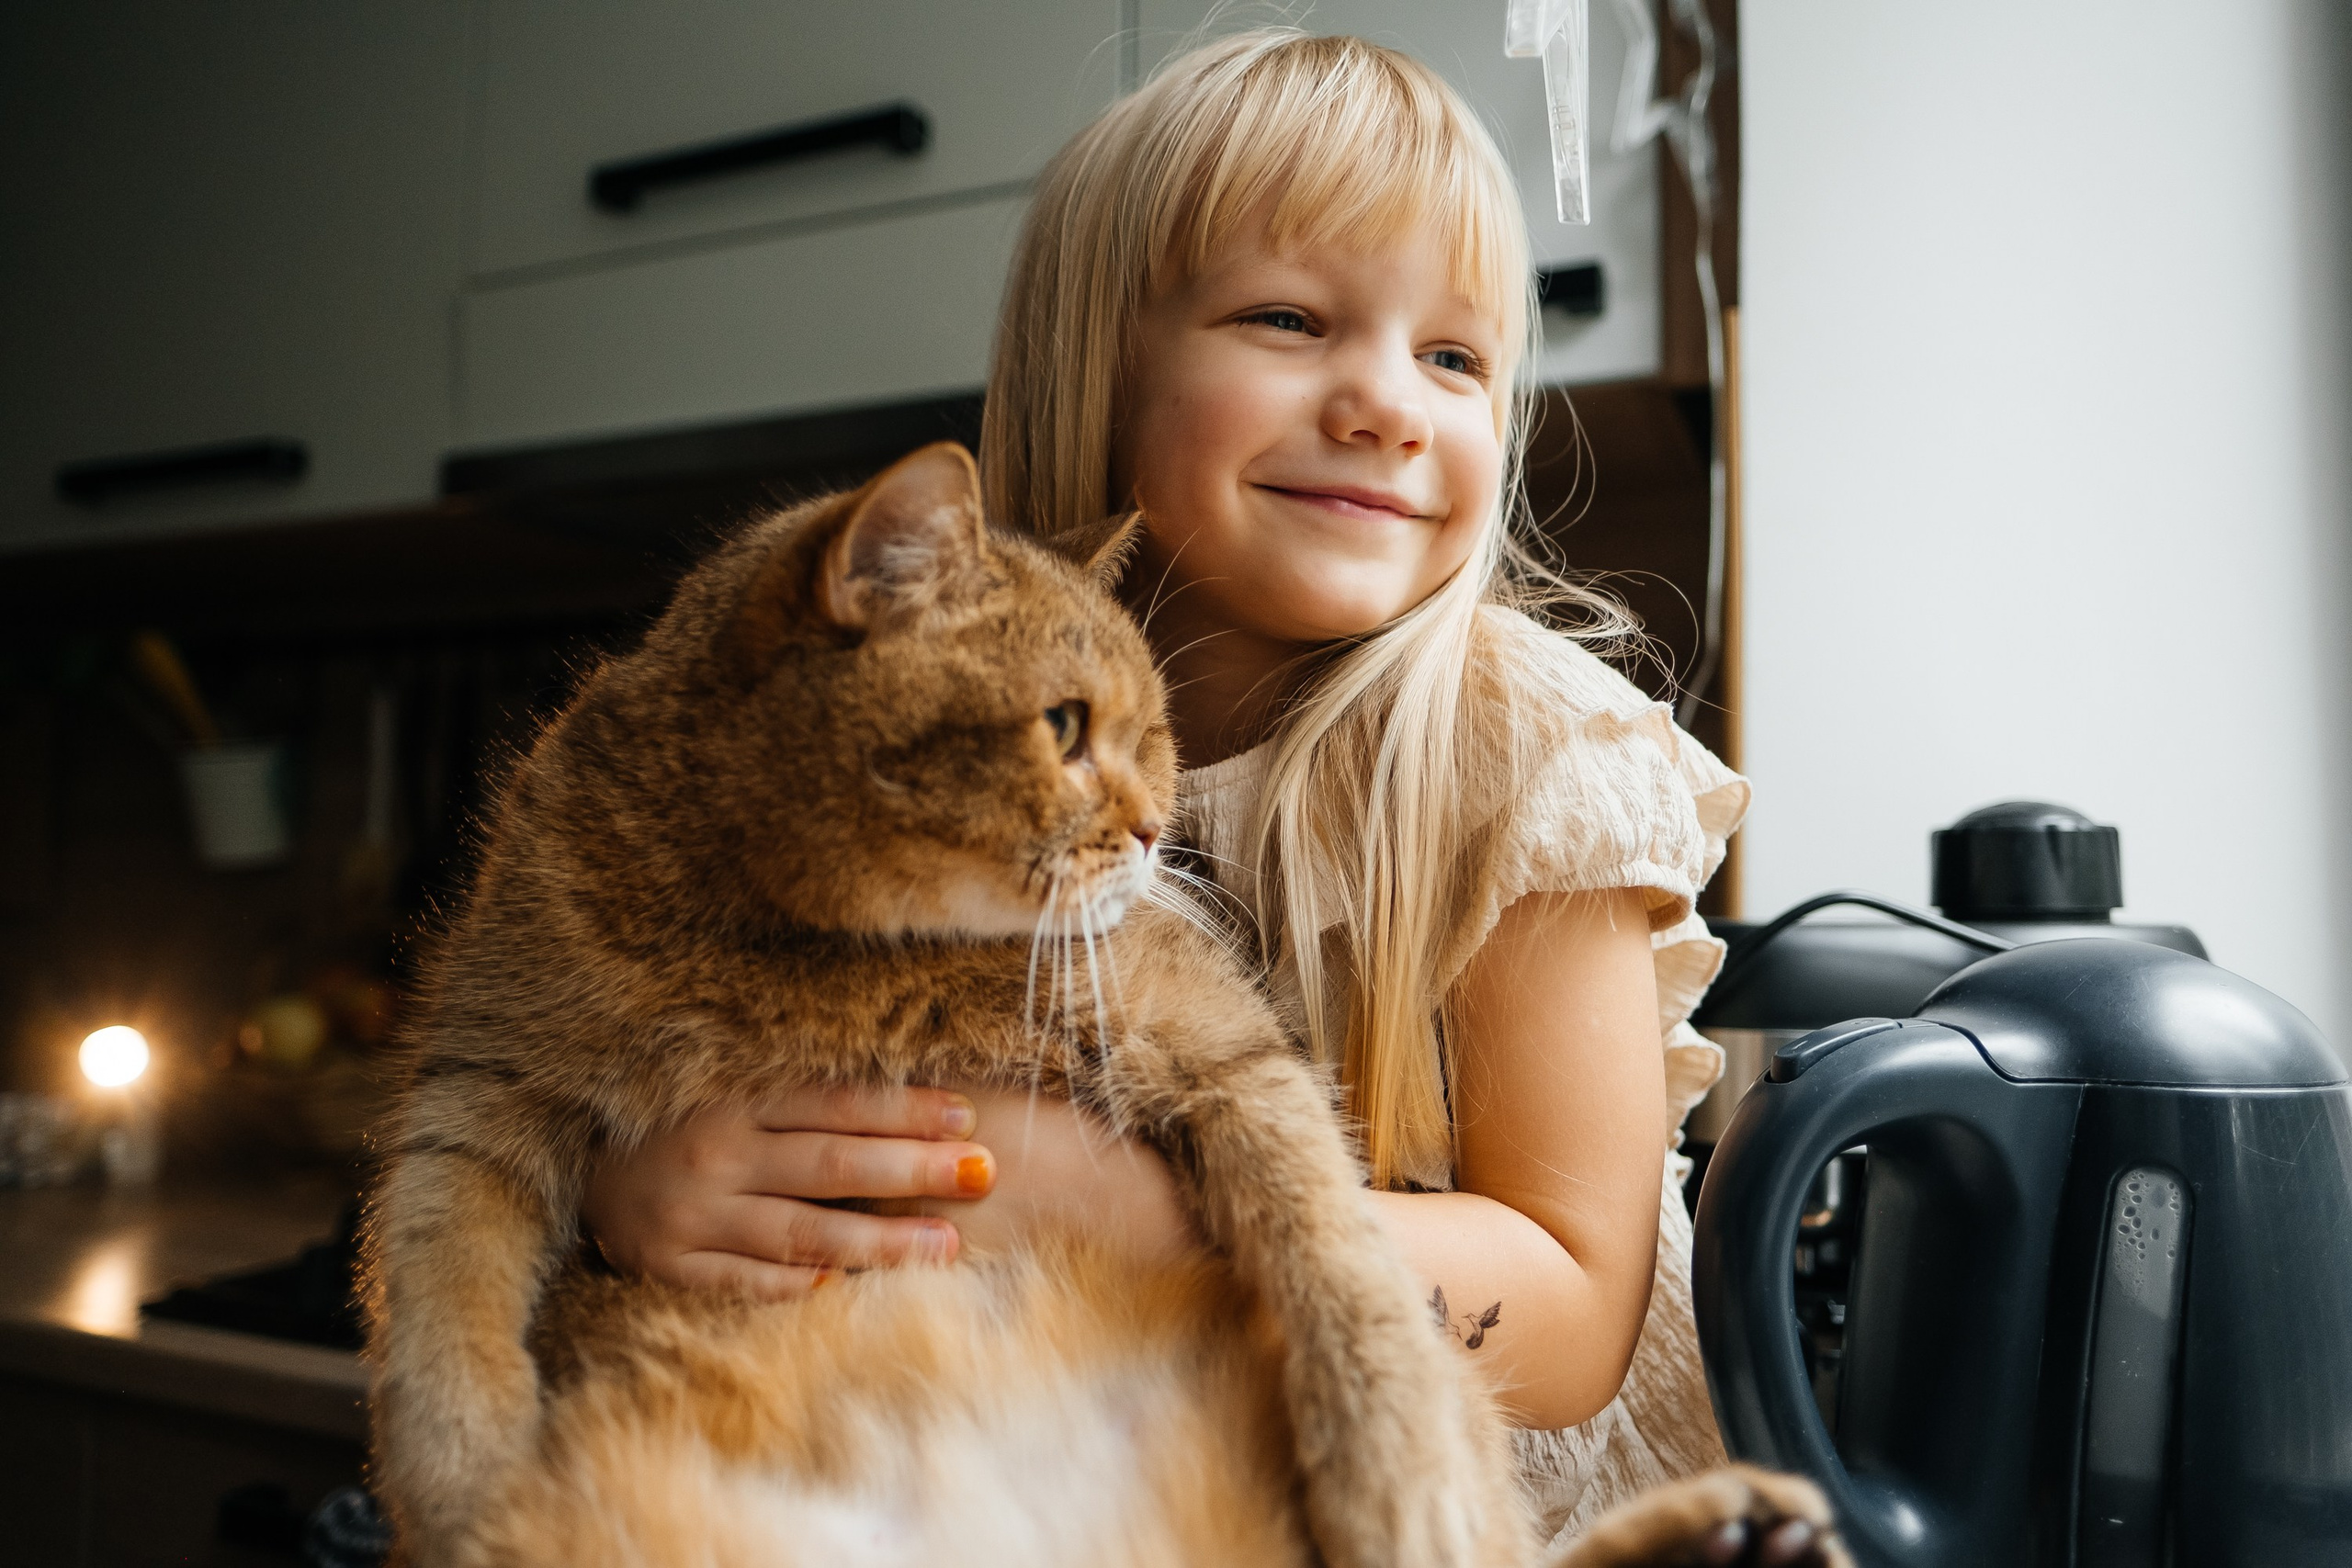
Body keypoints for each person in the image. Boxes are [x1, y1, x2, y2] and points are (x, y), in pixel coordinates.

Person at [581, 28, 1747, 1543]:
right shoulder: (953, 742)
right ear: (1100, 368)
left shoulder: (1508, 747)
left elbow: (1577, 1317)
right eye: (1289, 317)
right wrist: (634, 1194)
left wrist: (1121, 1207)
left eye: (1455, 357)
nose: (1390, 403)